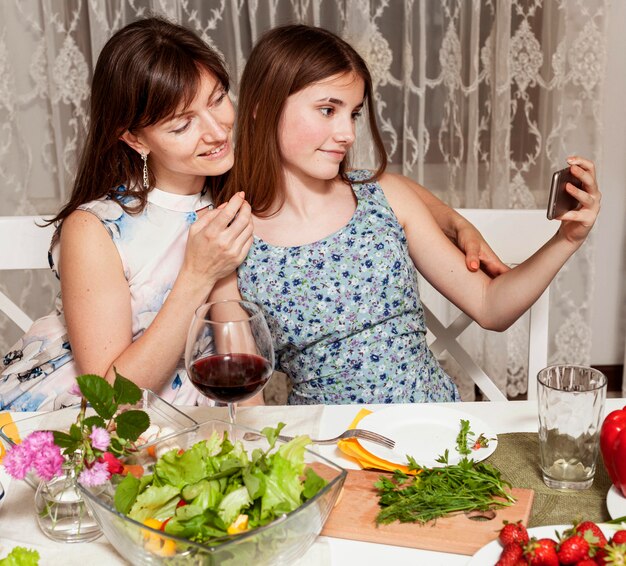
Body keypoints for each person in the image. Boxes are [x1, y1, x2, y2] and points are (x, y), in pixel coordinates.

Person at [0, 18, 498, 411]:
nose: (216, 131)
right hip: (86, 420)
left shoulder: (235, 190)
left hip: (208, 416)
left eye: (218, 98)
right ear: (134, 137)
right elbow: (110, 400)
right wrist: (197, 275)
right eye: (182, 124)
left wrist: (456, 224)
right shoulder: (96, 228)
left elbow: (375, 189)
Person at [213, 24, 601, 405]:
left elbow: (490, 306)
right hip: (326, 450)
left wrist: (566, 240)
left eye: (353, 114)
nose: (347, 133)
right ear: (263, 109)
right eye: (328, 110)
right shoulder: (231, 239)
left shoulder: (383, 197)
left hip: (432, 432)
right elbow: (245, 405)